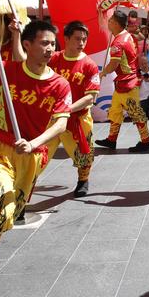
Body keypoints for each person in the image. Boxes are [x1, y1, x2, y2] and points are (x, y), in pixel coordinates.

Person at [0, 21, 73, 290]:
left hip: (31, 157)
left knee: (6, 218)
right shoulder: (8, 71)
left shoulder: (60, 85)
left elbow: (61, 124)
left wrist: (34, 143)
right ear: (27, 45)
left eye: (53, 43)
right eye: (44, 43)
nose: (50, 48)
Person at [46, 21, 100, 198]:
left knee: (84, 154)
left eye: (84, 39)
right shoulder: (53, 59)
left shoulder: (89, 65)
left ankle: (83, 180)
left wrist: (66, 109)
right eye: (77, 39)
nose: (81, 43)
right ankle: (26, 186)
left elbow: (90, 97)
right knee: (38, 154)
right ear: (66, 39)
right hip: (51, 119)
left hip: (78, 118)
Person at [95, 10, 149, 152]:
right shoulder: (128, 36)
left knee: (136, 114)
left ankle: (146, 141)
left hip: (127, 83)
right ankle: (111, 139)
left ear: (114, 23)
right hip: (125, 82)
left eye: (110, 21)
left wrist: (103, 72)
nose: (108, 23)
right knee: (115, 111)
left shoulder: (118, 42)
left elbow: (114, 64)